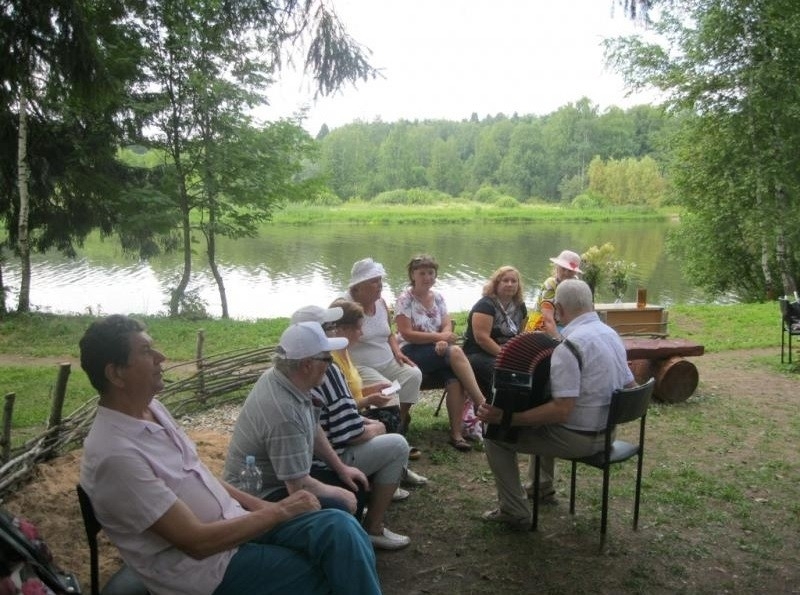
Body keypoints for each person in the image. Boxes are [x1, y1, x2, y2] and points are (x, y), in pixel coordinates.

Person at [78, 315, 380, 595]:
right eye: (146, 352)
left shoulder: (152, 409)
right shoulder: (116, 455)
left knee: (341, 529)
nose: (161, 357)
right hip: (207, 569)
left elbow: (199, 475)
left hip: (237, 523)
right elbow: (197, 542)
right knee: (329, 572)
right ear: (116, 373)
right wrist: (279, 512)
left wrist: (263, 508)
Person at [477, 279, 636, 529]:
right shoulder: (611, 334)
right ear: (591, 304)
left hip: (580, 439)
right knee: (541, 421)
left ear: (558, 309)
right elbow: (630, 385)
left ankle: (514, 510)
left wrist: (507, 418)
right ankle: (541, 487)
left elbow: (561, 411)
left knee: (494, 437)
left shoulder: (569, 346)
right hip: (608, 433)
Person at [290, 303, 412, 550]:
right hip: (321, 462)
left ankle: (378, 490)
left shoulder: (291, 367)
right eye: (330, 328)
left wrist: (366, 420)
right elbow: (350, 434)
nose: (334, 331)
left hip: (310, 456)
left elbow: (332, 418)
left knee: (383, 423)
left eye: (334, 327)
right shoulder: (326, 367)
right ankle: (373, 527)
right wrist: (377, 427)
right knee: (397, 444)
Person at [223, 322, 370, 518]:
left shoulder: (287, 379)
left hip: (281, 477)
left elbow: (313, 425)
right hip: (260, 493)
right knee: (343, 503)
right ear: (307, 365)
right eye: (327, 358)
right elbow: (298, 486)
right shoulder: (284, 414)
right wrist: (340, 494)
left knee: (353, 486)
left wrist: (341, 468)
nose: (331, 364)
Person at [394, 254, 487, 452]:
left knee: (455, 378)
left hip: (438, 351)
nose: (427, 277)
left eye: (431, 273)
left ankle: (456, 434)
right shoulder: (405, 299)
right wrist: (439, 338)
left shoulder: (438, 297)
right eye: (422, 273)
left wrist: (443, 340)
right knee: (456, 353)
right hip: (410, 351)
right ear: (413, 275)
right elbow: (406, 333)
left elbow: (446, 324)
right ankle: (482, 404)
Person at [345, 257, 423, 450]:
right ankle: (387, 435)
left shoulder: (381, 303)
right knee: (388, 390)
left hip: (387, 359)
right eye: (374, 281)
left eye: (380, 280)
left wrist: (397, 351)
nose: (380, 285)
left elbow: (389, 333)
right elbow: (335, 338)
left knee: (413, 374)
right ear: (357, 287)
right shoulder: (345, 307)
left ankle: (398, 423)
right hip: (360, 366)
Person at [463, 265, 528, 399]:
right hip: (478, 353)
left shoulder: (520, 306)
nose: (510, 284)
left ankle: (519, 406)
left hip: (506, 353)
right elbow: (482, 339)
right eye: (505, 280)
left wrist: (519, 356)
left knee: (531, 371)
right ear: (496, 284)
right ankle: (496, 406)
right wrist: (506, 357)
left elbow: (519, 334)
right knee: (507, 375)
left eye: (514, 281)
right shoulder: (485, 305)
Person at [526, 249, 583, 338]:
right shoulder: (550, 284)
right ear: (557, 267)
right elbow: (548, 319)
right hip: (541, 325)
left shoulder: (576, 284)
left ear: (575, 272)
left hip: (563, 325)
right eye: (563, 268)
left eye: (570, 270)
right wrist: (559, 341)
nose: (566, 273)